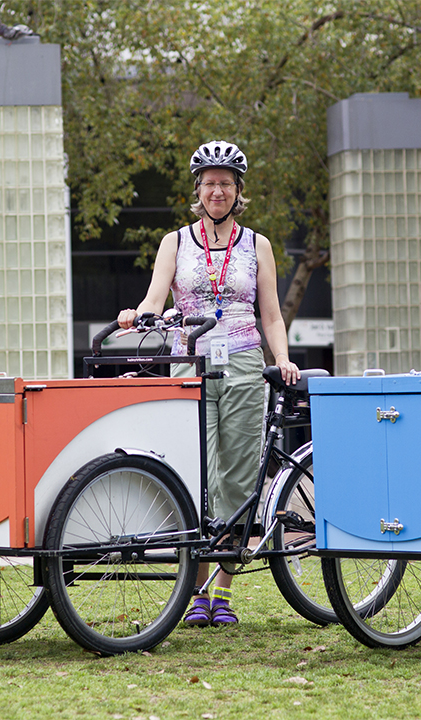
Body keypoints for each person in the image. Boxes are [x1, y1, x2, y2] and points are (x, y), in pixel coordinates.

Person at [117, 140, 300, 627]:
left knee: (238, 474)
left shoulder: (256, 244)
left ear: (238, 190)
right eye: (209, 182)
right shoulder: (175, 242)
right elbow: (156, 298)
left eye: (226, 182)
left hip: (242, 362)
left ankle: (221, 589)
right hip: (189, 362)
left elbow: (272, 315)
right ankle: (193, 589)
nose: (217, 190)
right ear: (198, 189)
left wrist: (281, 359)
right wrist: (138, 314)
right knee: (193, 470)